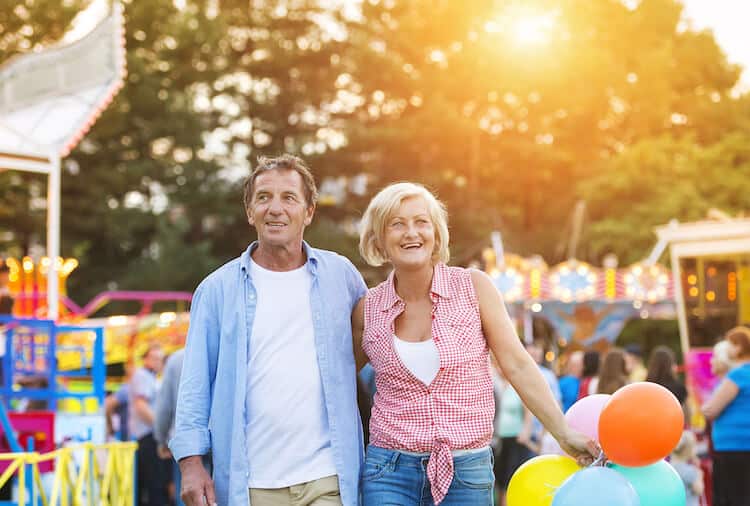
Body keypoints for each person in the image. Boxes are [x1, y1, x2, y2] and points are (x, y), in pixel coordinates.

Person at [352, 183, 597, 506]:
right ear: (379, 239)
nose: (411, 232)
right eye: (396, 224)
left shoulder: (474, 288)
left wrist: (563, 433)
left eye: (421, 222)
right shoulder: (367, 310)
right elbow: (336, 382)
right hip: (389, 471)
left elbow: (518, 365)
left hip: (466, 469)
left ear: (436, 234)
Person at [170, 155, 367, 506]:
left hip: (328, 476)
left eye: (289, 197)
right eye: (264, 197)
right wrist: (191, 463)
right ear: (250, 212)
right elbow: (195, 385)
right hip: (250, 484)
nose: (275, 208)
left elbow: (374, 345)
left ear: (309, 211)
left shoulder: (343, 277)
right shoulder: (216, 290)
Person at [702, 327, 750, 506]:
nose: (727, 348)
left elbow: (712, 409)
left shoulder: (738, 374)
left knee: (729, 498)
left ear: (738, 348)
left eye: (730, 344)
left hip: (732, 446)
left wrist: (705, 407)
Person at [130, 343, 167, 506]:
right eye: (155, 358)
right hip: (147, 436)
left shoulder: (150, 377)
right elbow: (141, 405)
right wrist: (159, 426)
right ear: (146, 359)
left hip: (149, 435)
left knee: (153, 482)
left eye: (160, 358)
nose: (159, 362)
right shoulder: (143, 376)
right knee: (154, 483)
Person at [155, 348, 185, 506]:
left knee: (188, 495)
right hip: (224, 442)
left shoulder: (176, 360)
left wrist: (161, 440)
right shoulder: (230, 352)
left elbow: (164, 407)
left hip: (184, 441)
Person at [671, 430, 704, 506]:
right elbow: (699, 490)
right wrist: (699, 475)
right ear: (689, 450)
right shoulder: (690, 471)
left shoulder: (670, 468)